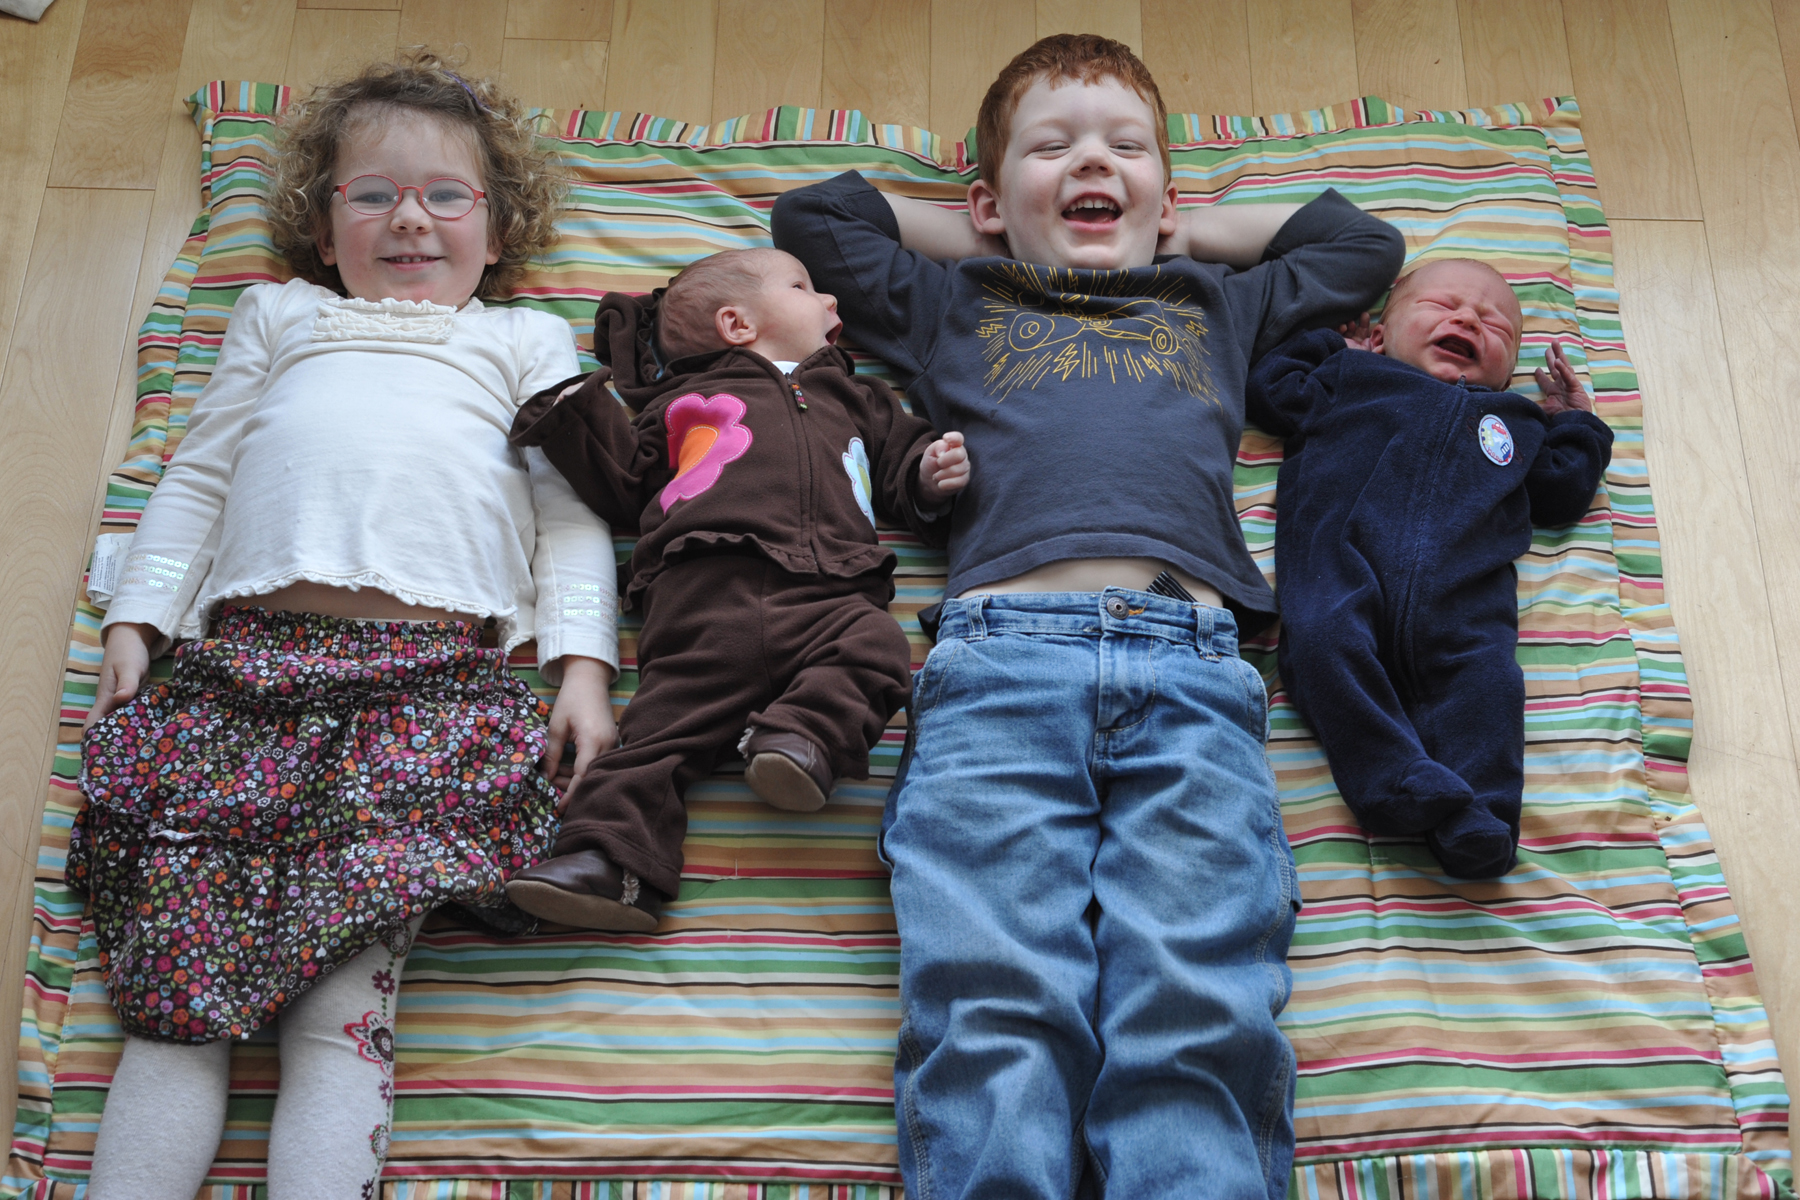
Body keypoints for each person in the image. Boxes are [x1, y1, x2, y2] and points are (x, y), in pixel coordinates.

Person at [771, 32, 1405, 1200]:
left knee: (1197, 998)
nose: (1091, 163)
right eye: (1050, 148)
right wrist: (982, 234)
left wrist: (1187, 233)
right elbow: (817, 218)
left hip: (1191, 668)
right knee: (993, 994)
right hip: (999, 669)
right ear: (988, 200)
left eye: (1126, 148)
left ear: (1166, 195)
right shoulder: (953, 298)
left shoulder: (1217, 300)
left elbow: (1365, 246)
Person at [70, 53, 619, 1199]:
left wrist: (583, 669)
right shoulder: (281, 315)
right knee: (175, 1009)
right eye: (373, 194)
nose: (409, 218)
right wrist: (139, 616)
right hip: (240, 684)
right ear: (322, 229)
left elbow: (570, 518)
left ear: (498, 228)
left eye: (445, 195)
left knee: (340, 1011)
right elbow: (198, 474)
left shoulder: (522, 341)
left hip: (426, 696)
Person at [503, 246, 969, 931]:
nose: (831, 300)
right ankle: (607, 862)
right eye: (804, 285)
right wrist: (576, 418)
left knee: (878, 649)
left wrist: (929, 474)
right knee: (656, 735)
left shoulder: (861, 397)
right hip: (702, 593)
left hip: (833, 594)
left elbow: (899, 467)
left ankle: (802, 741)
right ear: (737, 324)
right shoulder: (680, 404)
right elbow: (625, 484)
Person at [1246, 257, 1614, 879]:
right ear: (1379, 336)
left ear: (1507, 370)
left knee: (1489, 688)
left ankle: (1482, 816)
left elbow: (1562, 490)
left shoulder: (1515, 421)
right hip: (1341, 573)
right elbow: (1271, 388)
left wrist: (1575, 421)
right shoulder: (1349, 379)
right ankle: (1392, 778)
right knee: (1323, 650)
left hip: (1467, 604)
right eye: (1444, 306)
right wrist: (1330, 346)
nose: (1468, 319)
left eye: (1496, 325)